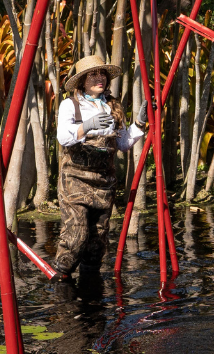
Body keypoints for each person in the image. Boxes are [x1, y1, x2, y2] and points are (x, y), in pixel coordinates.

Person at [52, 54, 145, 280]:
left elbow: (122, 144)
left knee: (97, 242)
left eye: (102, 73)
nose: (99, 78)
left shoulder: (113, 106)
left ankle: (90, 294)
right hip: (76, 180)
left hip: (104, 182)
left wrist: (139, 124)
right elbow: (64, 137)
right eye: (92, 74)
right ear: (82, 80)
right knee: (76, 236)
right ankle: (61, 283)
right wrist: (88, 126)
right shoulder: (70, 105)